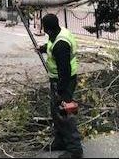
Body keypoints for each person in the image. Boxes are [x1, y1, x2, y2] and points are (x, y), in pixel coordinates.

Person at [38, 14, 83, 158]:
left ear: (48, 28)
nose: (43, 29)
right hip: (59, 80)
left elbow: (65, 71)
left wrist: (62, 93)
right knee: (55, 112)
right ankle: (61, 141)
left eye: (44, 27)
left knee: (64, 113)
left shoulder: (61, 45)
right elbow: (52, 46)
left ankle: (75, 149)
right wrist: (44, 48)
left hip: (64, 81)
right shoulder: (58, 33)